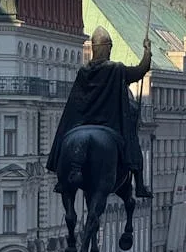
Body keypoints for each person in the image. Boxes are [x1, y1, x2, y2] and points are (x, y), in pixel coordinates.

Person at [46, 26, 153, 198]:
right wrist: (147, 51)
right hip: (109, 123)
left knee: (64, 134)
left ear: (94, 49)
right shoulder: (117, 69)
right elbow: (141, 70)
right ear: (108, 48)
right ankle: (139, 185)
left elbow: (75, 101)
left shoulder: (84, 71)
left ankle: (61, 176)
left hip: (82, 121)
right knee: (133, 144)